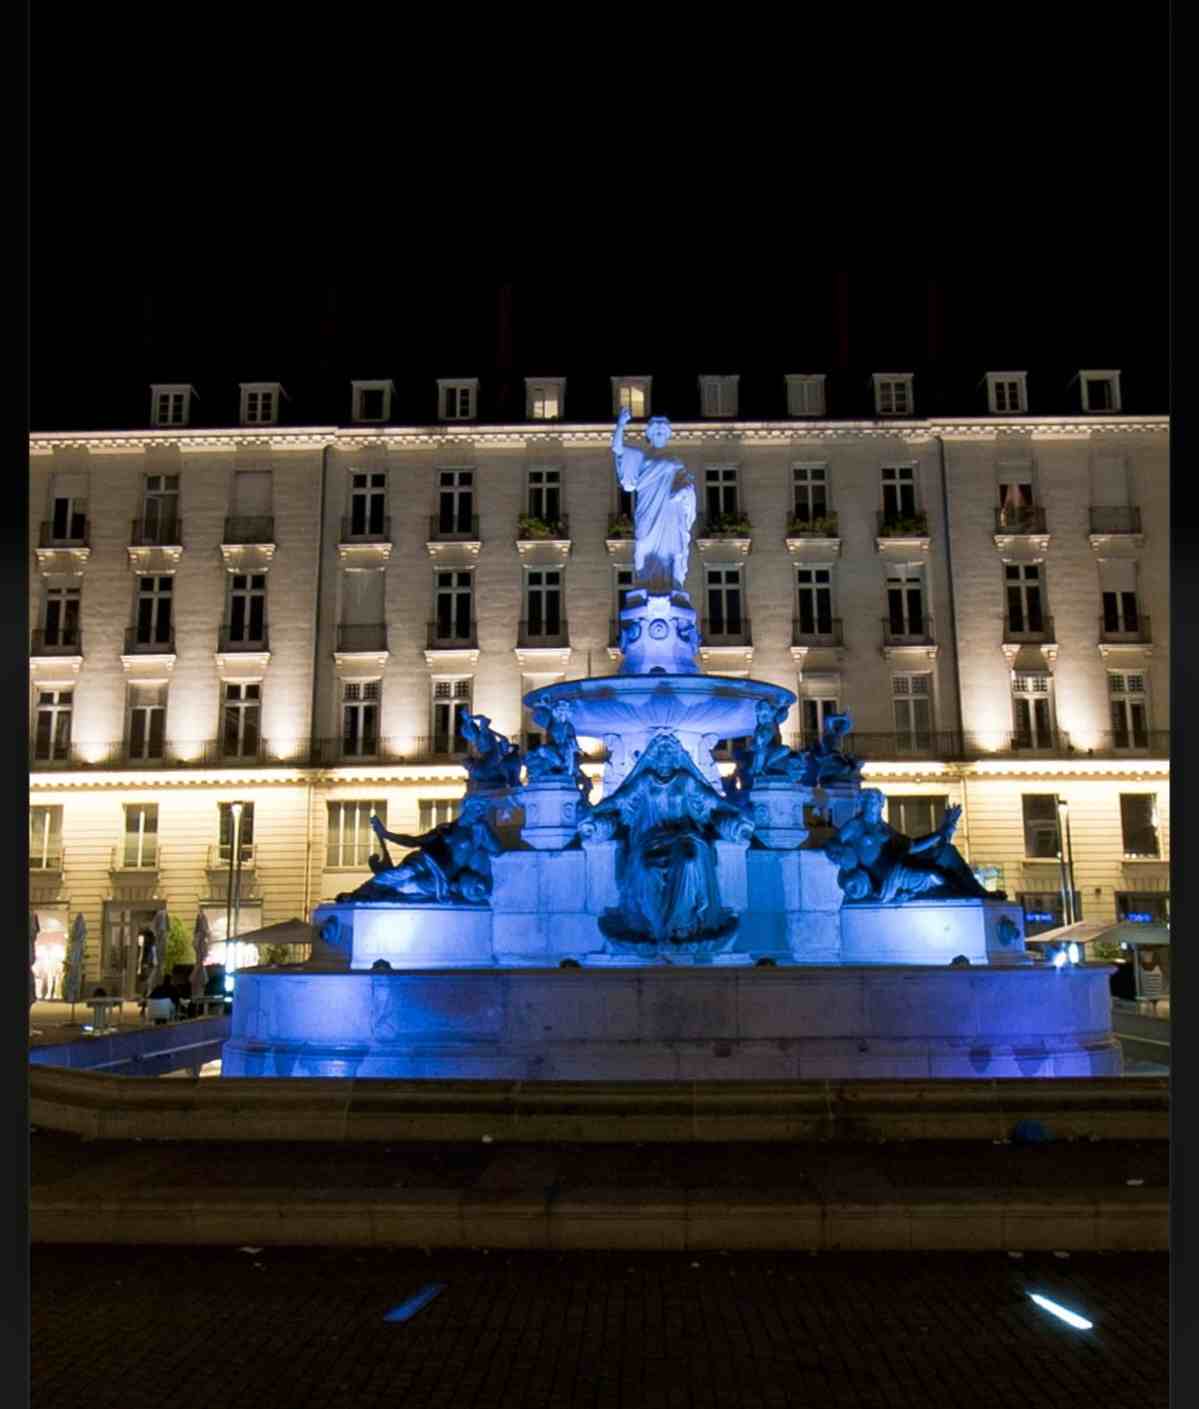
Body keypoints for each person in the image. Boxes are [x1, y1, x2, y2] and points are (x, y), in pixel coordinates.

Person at [826, 788, 1002, 903]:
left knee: (947, 852)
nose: (873, 805)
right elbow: (833, 843)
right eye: (869, 801)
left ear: (881, 805)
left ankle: (978, 892)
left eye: (876, 801)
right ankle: (960, 894)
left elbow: (912, 846)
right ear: (862, 803)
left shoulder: (885, 828)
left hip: (902, 862)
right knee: (933, 875)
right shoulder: (855, 826)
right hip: (888, 877)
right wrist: (841, 857)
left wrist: (941, 832)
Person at [611, 407, 696, 594]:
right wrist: (621, 425)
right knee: (642, 545)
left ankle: (672, 584)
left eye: (663, 430)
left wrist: (682, 493)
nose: (659, 432)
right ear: (649, 434)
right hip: (648, 510)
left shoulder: (675, 461)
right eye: (656, 430)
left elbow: (688, 485)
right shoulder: (641, 456)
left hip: (670, 513)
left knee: (671, 550)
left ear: (667, 435)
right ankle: (644, 583)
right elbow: (617, 449)